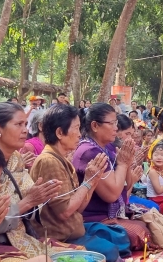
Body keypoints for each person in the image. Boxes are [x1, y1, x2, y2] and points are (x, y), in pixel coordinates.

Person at [29, 104, 129, 262]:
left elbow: (79, 207)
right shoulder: (49, 161)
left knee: (118, 238)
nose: (79, 134)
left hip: (76, 230)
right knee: (109, 250)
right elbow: (65, 212)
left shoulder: (61, 158)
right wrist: (89, 181)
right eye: (76, 128)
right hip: (61, 237)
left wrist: (93, 180)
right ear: (60, 133)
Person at [0, 102, 71, 258]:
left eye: (26, 124)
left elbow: (31, 210)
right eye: (19, 124)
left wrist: (37, 197)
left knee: (81, 254)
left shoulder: (15, 160)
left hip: (21, 237)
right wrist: (27, 202)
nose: (25, 130)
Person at [71, 103, 152, 250]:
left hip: (111, 215)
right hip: (93, 219)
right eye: (112, 123)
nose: (116, 127)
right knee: (141, 233)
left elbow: (126, 184)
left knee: (150, 219)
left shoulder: (106, 147)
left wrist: (127, 162)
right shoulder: (89, 152)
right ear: (95, 126)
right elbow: (112, 195)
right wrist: (122, 164)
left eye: (116, 122)